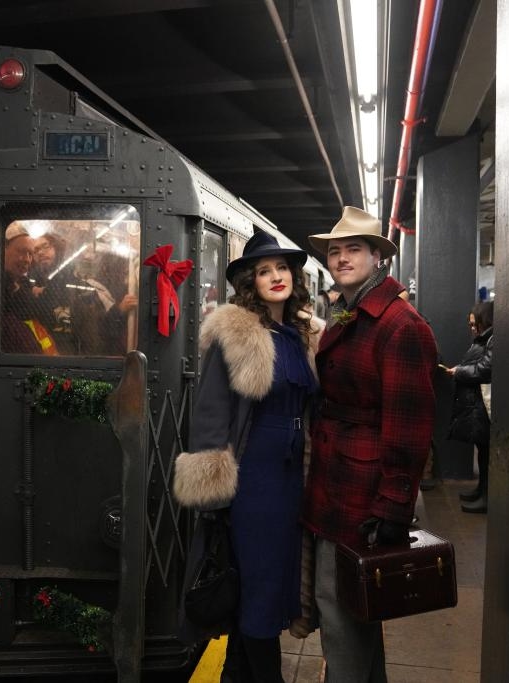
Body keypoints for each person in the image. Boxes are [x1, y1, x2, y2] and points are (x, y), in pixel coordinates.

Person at [173, 229, 319, 683]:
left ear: (294, 277)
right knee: (258, 583)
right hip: (254, 479)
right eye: (263, 271)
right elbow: (213, 411)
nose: (275, 277)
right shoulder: (236, 333)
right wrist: (215, 496)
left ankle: (237, 674)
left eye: (281, 269)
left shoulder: (300, 333)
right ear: (249, 283)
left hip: (292, 476)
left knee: (272, 581)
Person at [301, 206, 438, 683]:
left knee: (339, 612)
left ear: (379, 257)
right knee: (357, 609)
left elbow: (410, 428)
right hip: (339, 481)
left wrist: (394, 507)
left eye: (352, 249)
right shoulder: (356, 312)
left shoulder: (400, 326)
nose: (341, 258)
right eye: (335, 251)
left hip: (361, 493)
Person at [28, 232, 137, 355]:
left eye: (45, 246)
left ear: (57, 248)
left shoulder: (83, 288)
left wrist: (119, 310)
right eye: (35, 250)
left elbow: (101, 327)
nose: (40, 252)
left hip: (83, 360)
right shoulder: (34, 291)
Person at [444, 300, 494, 513]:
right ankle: (481, 491)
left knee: (487, 453)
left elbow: (485, 369)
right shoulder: (486, 339)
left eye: (476, 324)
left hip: (485, 404)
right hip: (479, 403)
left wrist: (460, 371)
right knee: (482, 452)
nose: (473, 329)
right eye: (471, 325)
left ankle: (486, 496)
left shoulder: (492, 339)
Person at [0, 223, 58, 354]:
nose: (27, 259)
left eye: (30, 254)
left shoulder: (24, 284)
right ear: (2, 249)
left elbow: (42, 315)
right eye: (21, 251)